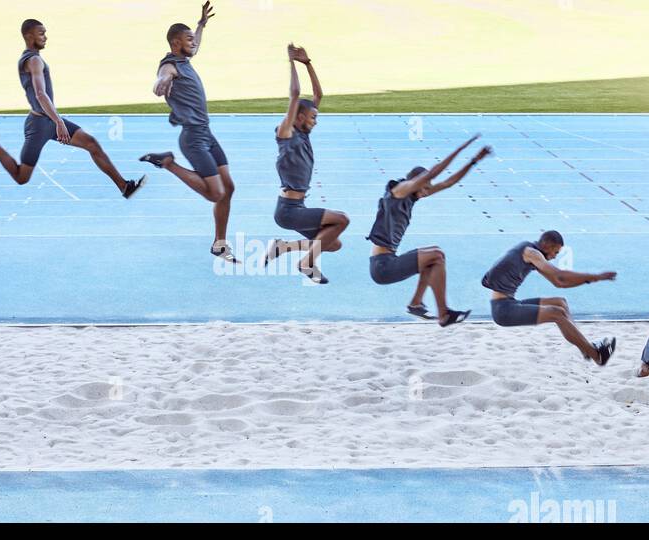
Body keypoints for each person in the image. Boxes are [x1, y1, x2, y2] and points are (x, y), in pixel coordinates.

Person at [0, 19, 145, 197]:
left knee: (91, 144)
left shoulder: (33, 59)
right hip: (40, 125)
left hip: (48, 119)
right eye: (41, 33)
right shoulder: (33, 61)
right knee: (21, 177)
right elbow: (41, 94)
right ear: (28, 36)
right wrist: (58, 121)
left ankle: (124, 186)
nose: (45, 37)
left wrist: (56, 120)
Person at [138, 2, 240, 263]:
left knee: (228, 187)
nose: (193, 43)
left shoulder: (185, 58)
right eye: (188, 40)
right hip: (193, 138)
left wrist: (201, 24)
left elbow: (197, 45)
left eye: (193, 40)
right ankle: (168, 163)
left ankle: (220, 244)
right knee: (215, 193)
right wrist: (162, 83)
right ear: (175, 43)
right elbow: (161, 78)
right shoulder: (170, 64)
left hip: (206, 133)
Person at [367, 135, 491, 327]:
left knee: (434, 258)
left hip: (389, 260)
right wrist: (461, 148)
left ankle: (416, 303)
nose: (426, 193)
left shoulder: (413, 195)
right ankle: (443, 313)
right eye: (424, 188)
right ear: (416, 183)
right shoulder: (398, 191)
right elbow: (432, 174)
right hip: (382, 267)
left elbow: (447, 183)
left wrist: (474, 161)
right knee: (437, 254)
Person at [260, 44, 348, 284]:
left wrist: (308, 63)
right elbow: (295, 95)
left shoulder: (305, 132)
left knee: (333, 243)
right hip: (287, 209)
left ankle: (284, 248)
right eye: (313, 117)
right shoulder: (285, 132)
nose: (316, 121)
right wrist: (291, 63)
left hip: (296, 207)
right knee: (342, 220)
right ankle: (306, 263)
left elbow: (318, 96)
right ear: (299, 117)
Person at [481, 231, 617, 365]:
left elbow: (559, 283)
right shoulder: (531, 253)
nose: (554, 257)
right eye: (555, 252)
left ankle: (585, 348)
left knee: (560, 302)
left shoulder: (533, 255)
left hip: (510, 303)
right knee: (557, 313)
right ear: (546, 246)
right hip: (503, 310)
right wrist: (595, 276)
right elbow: (560, 275)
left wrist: (589, 280)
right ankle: (596, 355)